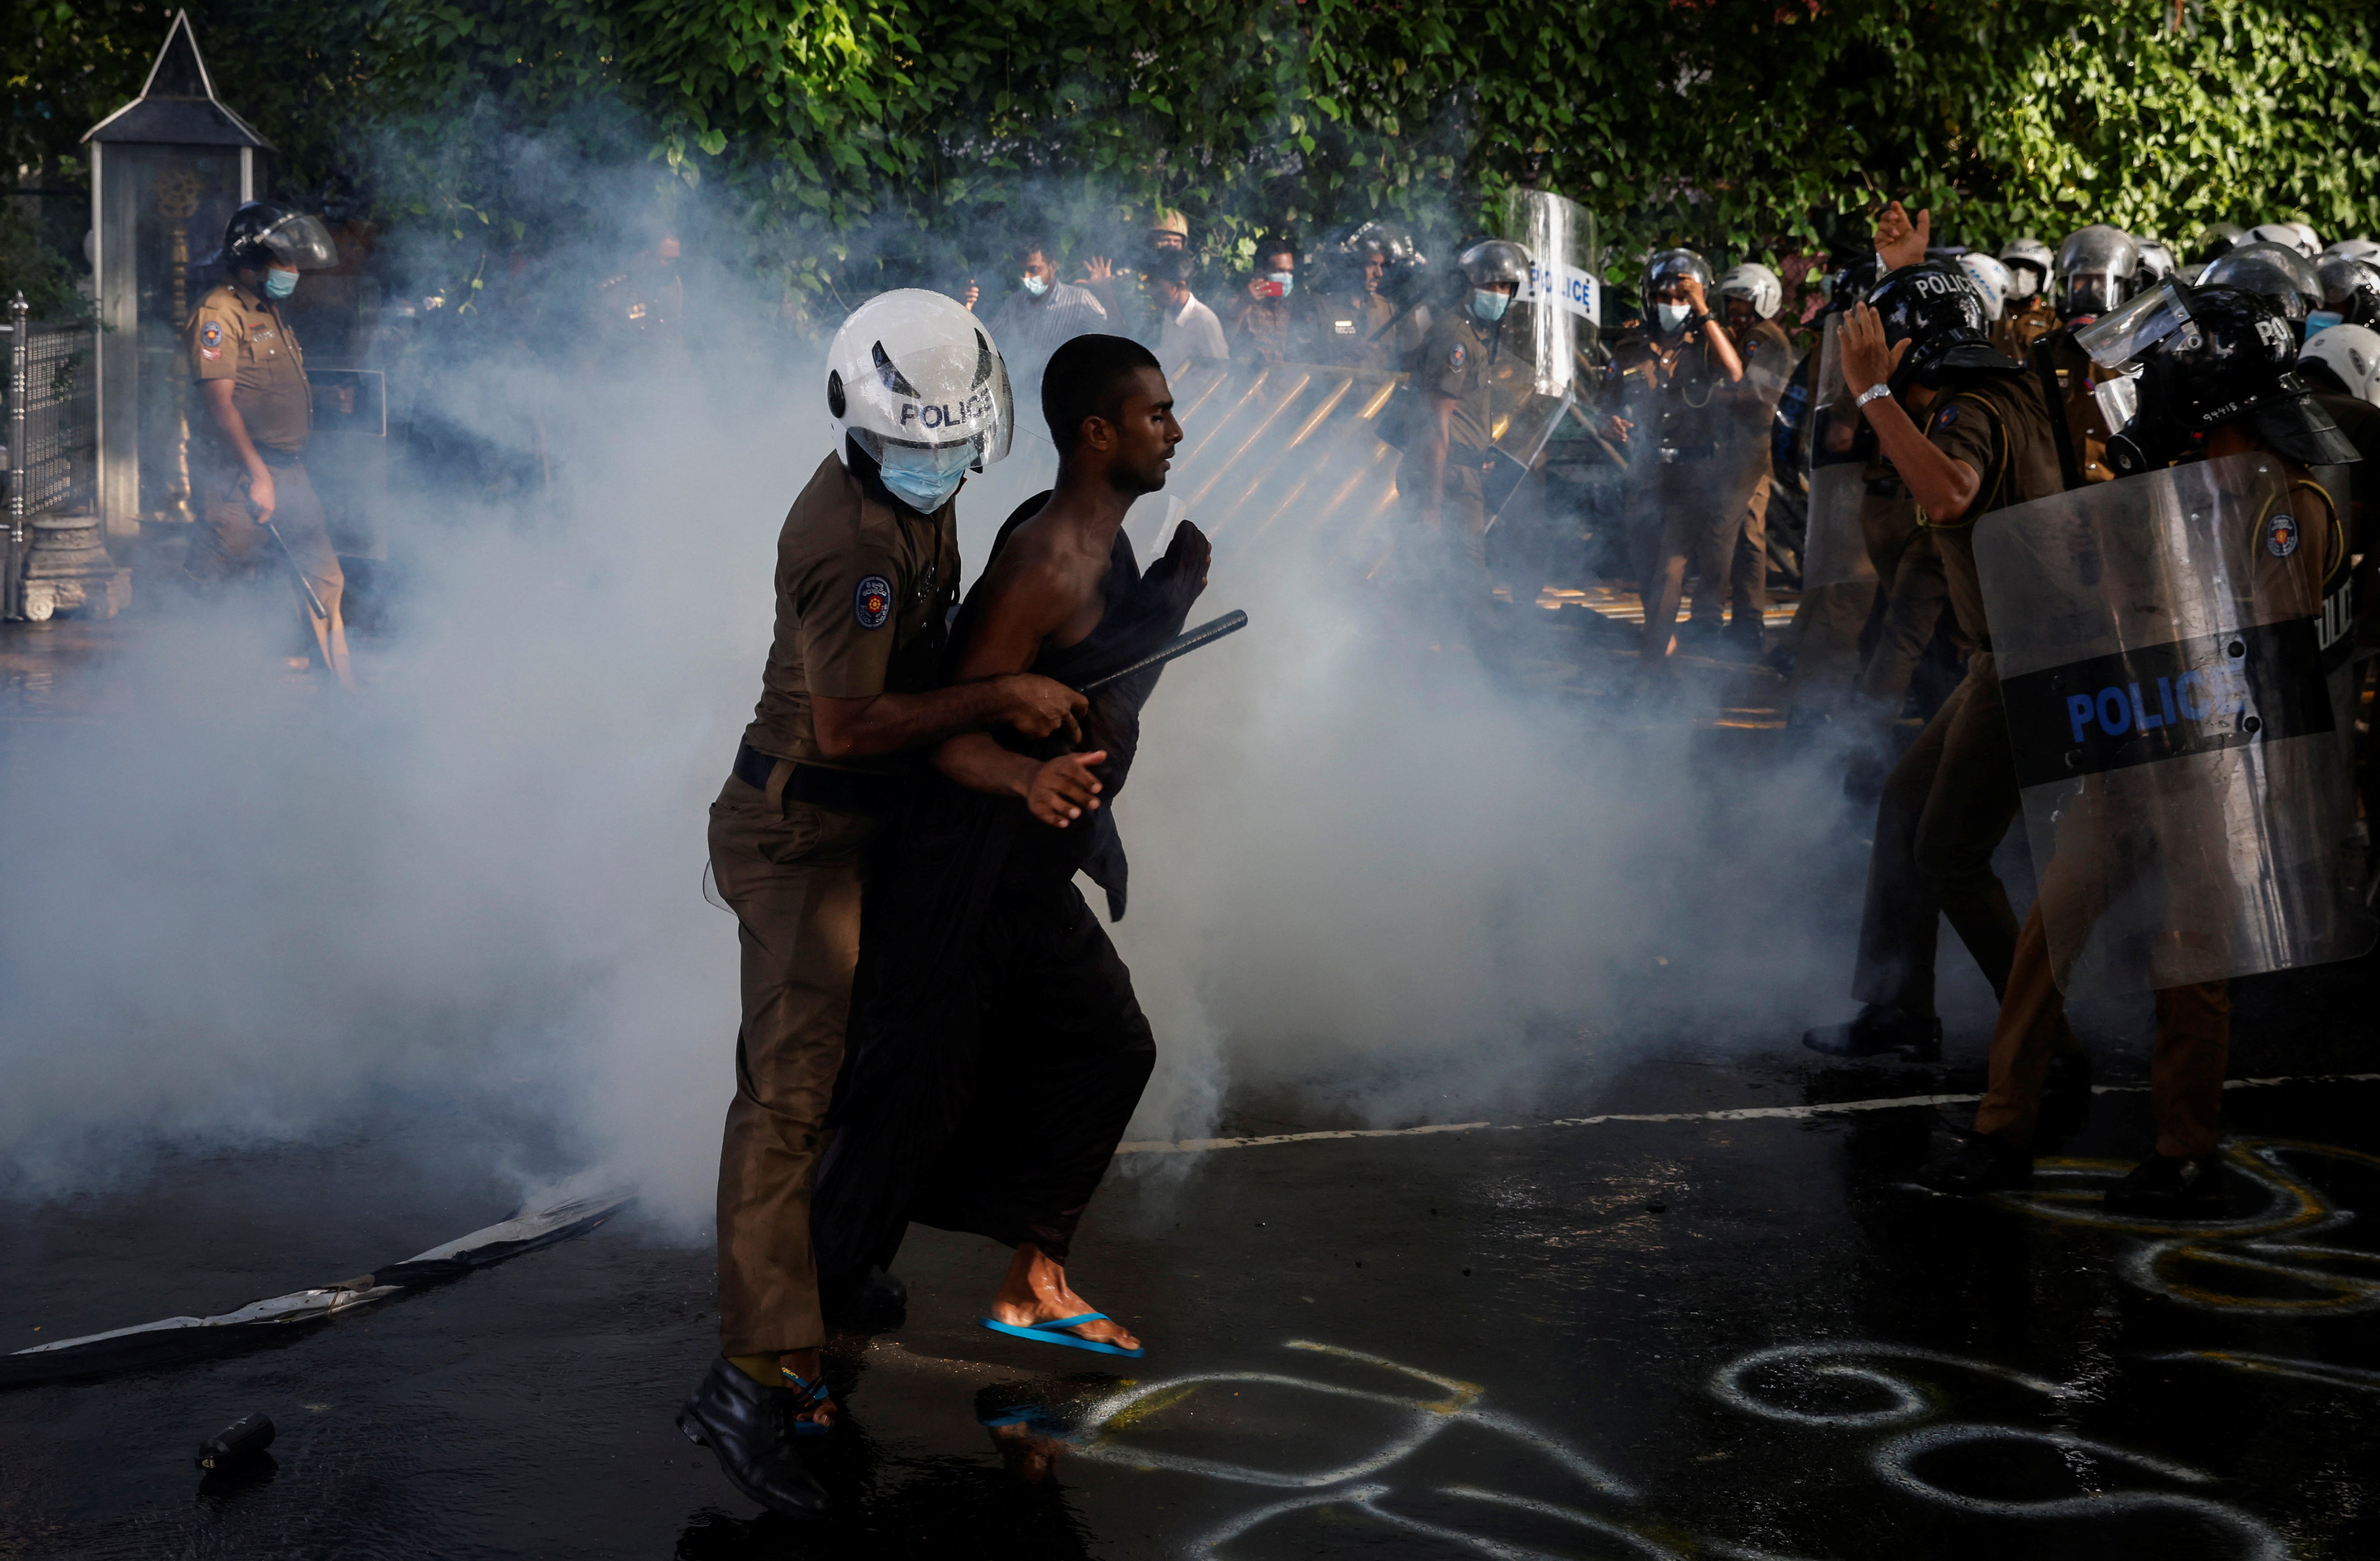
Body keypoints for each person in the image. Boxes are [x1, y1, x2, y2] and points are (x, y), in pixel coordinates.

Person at [678, 291, 1091, 1519]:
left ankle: (832, 1272)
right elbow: (854, 723)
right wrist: (998, 699)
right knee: (789, 1095)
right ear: (861, 429)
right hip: (800, 833)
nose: (939, 471)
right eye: (913, 452)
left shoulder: (926, 488)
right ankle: (752, 1381)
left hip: (867, 824)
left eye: (952, 448)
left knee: (879, 1053)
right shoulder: (851, 540)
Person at [811, 333, 1208, 1362]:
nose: (1172, 429)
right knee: (910, 1093)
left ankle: (1034, 1276)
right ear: (1096, 432)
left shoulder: (1108, 543)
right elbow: (952, 728)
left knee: (1107, 1041)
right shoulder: (1044, 560)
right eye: (1154, 413)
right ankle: (804, 1328)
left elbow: (1102, 685)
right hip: (964, 873)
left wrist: (1169, 600)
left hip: (1026, 873)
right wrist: (1031, 777)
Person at [1923, 287, 2362, 1208]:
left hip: (2213, 758)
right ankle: (2004, 1127)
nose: (2142, 386)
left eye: (2163, 373)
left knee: (2190, 962)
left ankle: (2184, 1149)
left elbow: (2270, 642)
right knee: (2050, 935)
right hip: (2137, 735)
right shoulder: (2184, 468)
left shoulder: (2285, 494)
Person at [1802, 221, 2068, 1062]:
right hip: (2006, 654)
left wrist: (1875, 394)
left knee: (1950, 851)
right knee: (1905, 804)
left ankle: (2043, 1044)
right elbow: (1959, 321)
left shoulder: (1966, 410)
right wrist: (1910, 279)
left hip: (2025, 662)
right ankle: (1897, 1009)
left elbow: (1951, 493)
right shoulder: (2012, 380)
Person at [183, 200, 351, 683]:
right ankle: (180, 679)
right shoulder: (218, 314)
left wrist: (320, 395)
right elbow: (220, 405)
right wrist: (258, 476)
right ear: (251, 265)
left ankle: (340, 696)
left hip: (288, 471)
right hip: (240, 477)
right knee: (212, 583)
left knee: (324, 580)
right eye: (285, 263)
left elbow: (267, 382)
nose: (294, 272)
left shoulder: (268, 309)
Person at [1624, 247, 1748, 666]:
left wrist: (1703, 310)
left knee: (1669, 574)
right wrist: (1611, 422)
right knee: (1646, 575)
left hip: (1692, 475)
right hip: (1645, 473)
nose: (1673, 306)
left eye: (1682, 298)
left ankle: (1649, 672)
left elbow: (1735, 373)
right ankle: (1666, 654)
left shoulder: (1706, 345)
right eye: (1665, 297)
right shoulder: (1633, 346)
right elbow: (1609, 401)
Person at [1403, 238, 1530, 615]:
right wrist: (1431, 505)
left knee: (1441, 586)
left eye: (1506, 287)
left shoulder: (1475, 337)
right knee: (1469, 588)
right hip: (1448, 478)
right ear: (1468, 286)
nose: (1500, 294)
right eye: (1491, 285)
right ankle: (1481, 670)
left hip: (1462, 471)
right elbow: (1436, 427)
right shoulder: (1457, 338)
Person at [1713, 262, 1796, 655]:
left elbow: (1756, 392)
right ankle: (1749, 623)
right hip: (1747, 444)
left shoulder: (1763, 338)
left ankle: (1708, 617)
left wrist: (1712, 398)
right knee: (1749, 534)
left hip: (1750, 444)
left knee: (1722, 529)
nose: (1735, 309)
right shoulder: (1751, 336)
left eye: (1743, 301)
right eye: (1731, 301)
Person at [990, 237, 1111, 396]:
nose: (1026, 277)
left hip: (1063, 399)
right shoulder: (1014, 303)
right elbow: (990, 340)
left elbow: (1113, 337)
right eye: (1022, 272)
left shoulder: (1080, 300)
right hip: (1023, 400)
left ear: (1053, 267)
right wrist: (967, 307)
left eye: (1034, 270)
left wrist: (1106, 290)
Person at [1310, 225, 1403, 370]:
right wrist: (1344, 351)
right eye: (1371, 265)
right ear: (1351, 265)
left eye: (1381, 266)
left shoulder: (1385, 309)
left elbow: (1394, 362)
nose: (1379, 274)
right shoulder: (1321, 306)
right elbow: (1306, 359)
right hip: (1337, 392)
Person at [1224, 235, 1313, 363]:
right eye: (1280, 271)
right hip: (1250, 380)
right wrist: (1243, 304)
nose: (1287, 277)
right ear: (1261, 273)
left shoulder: (1291, 307)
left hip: (1286, 380)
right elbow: (1224, 340)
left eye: (1290, 272)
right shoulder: (1240, 303)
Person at [1146, 249, 1228, 361]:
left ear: (1180, 286)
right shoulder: (1169, 314)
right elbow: (1169, 355)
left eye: (1158, 287)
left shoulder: (1204, 321)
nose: (1151, 292)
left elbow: (1220, 369)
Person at [1994, 237, 2060, 361]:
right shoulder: (1990, 314)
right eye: (2014, 267)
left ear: (2042, 276)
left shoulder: (2053, 318)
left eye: (2030, 269)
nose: (2020, 274)